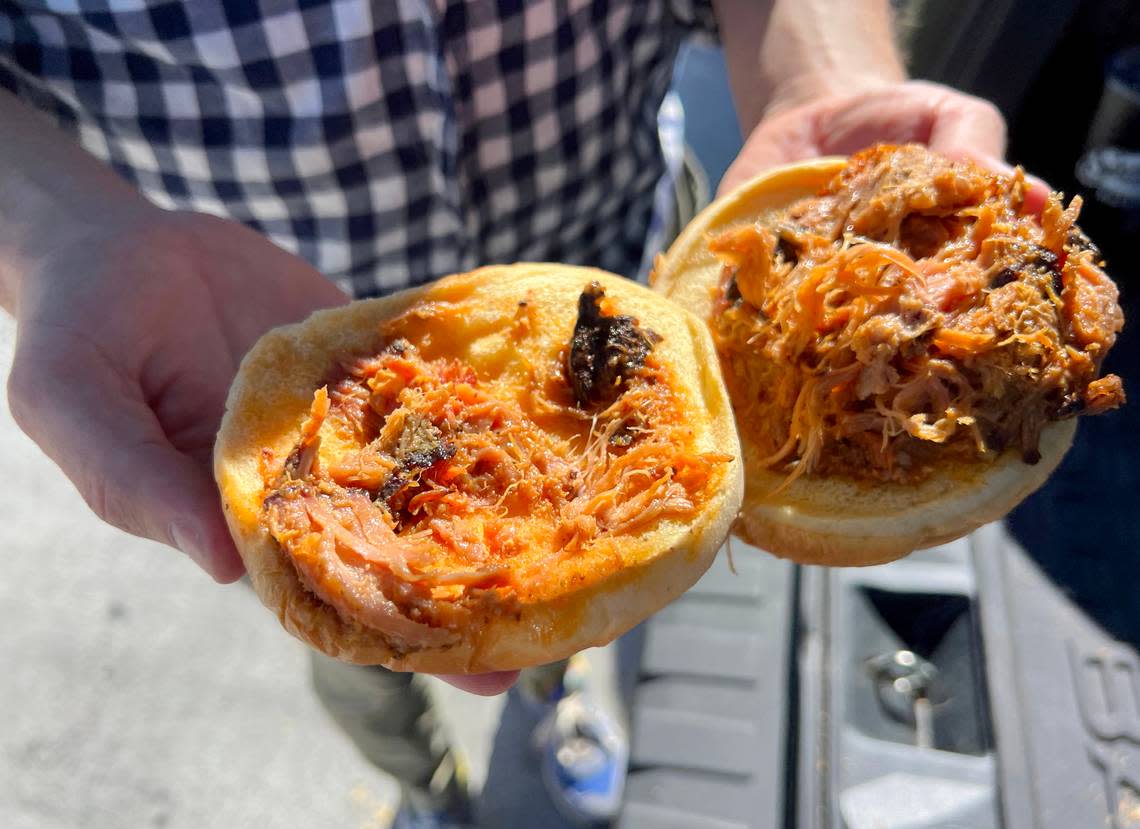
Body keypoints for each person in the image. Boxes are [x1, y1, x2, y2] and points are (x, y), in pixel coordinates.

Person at [0, 1, 1023, 825]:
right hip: (235, 356)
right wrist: (52, 228)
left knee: (576, 626)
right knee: (341, 637)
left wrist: (822, 73)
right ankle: (422, 782)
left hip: (634, 276)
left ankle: (560, 697)